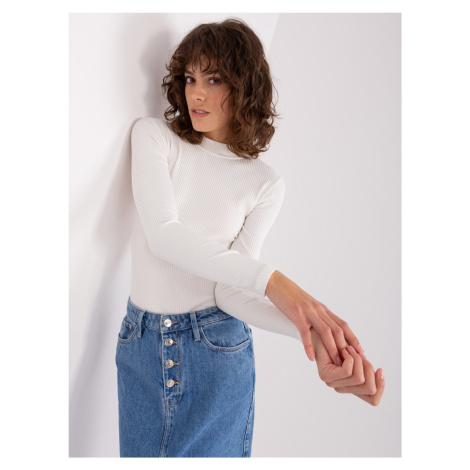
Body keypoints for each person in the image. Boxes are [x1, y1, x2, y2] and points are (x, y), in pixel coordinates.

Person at [115, 17, 384, 458]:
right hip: (142, 346)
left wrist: (317, 341)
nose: (196, 93)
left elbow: (229, 294)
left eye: (214, 79)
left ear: (244, 87)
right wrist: (275, 282)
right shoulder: (155, 137)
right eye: (190, 78)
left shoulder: (264, 183)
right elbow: (163, 235)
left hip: (216, 351)